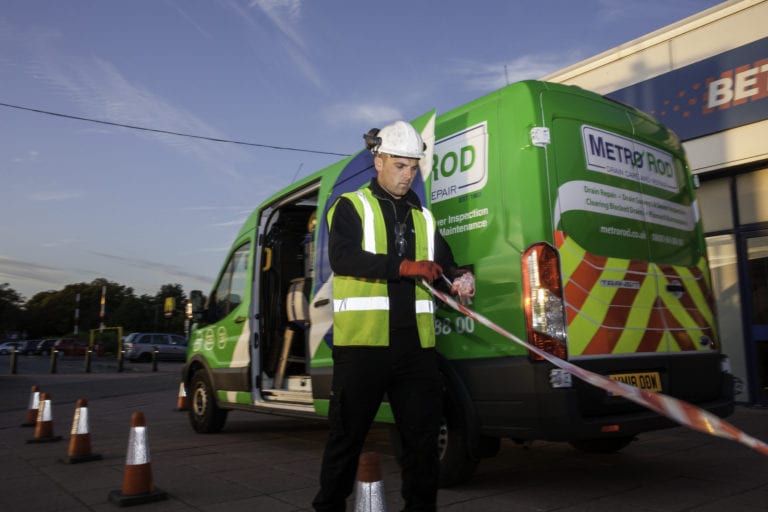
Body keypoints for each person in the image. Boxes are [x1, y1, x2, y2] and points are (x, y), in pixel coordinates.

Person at [313, 120, 475, 512]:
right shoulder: (350, 206)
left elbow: (445, 266)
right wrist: (406, 267)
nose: (407, 175)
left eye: (413, 167)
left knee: (422, 446)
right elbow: (344, 257)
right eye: (399, 166)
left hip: (416, 351)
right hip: (363, 348)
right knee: (346, 441)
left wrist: (460, 278)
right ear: (378, 161)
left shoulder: (424, 218)